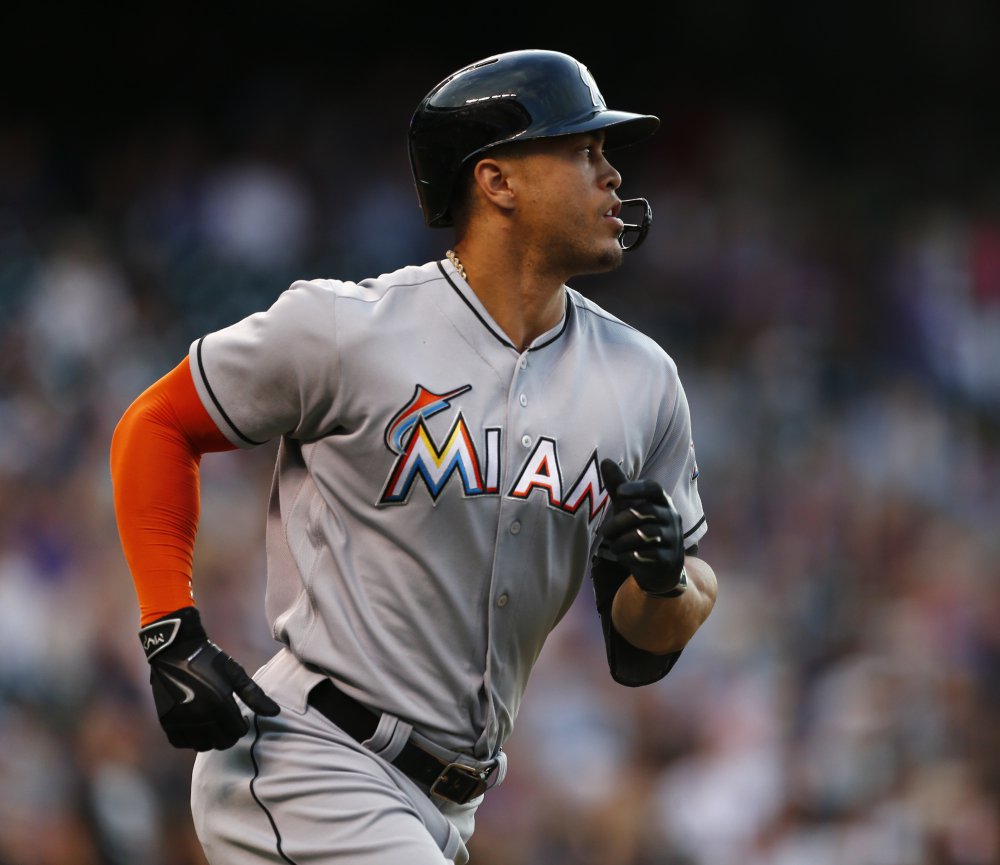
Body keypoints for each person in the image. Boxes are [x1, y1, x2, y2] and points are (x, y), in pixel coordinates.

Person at [110, 48, 718, 865]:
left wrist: (666, 579)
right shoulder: (347, 328)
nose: (611, 175)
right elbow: (155, 423)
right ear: (496, 181)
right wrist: (169, 631)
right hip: (313, 762)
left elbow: (643, 647)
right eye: (584, 150)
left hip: (443, 808)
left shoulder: (643, 380)